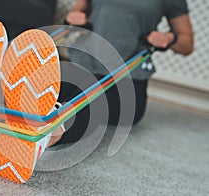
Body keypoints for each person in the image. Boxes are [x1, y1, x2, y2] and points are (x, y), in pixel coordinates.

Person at [48, 0, 194, 146]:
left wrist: (169, 38)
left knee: (89, 103)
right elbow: (77, 14)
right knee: (46, 94)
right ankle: (36, 129)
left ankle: (47, 139)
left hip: (127, 82)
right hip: (85, 66)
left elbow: (187, 44)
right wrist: (73, 18)